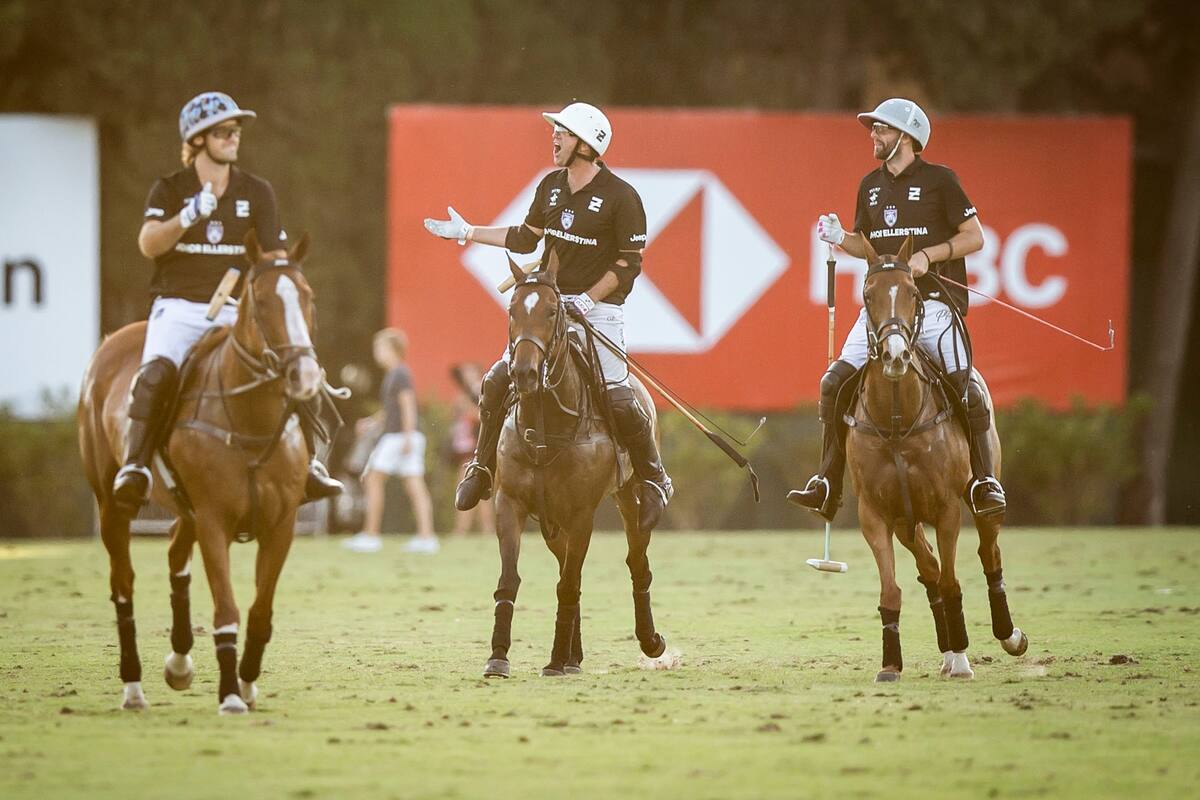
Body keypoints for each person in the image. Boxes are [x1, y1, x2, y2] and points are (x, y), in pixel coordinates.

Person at [423, 102, 673, 532]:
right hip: (549, 308)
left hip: (600, 310)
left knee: (617, 394)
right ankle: (482, 470)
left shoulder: (622, 197)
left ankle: (654, 478)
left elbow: (628, 263)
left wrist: (589, 300)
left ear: (586, 143)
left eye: (562, 132)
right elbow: (524, 239)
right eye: (555, 131)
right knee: (498, 378)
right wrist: (467, 233)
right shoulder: (551, 187)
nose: (554, 138)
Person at [112, 91, 341, 517]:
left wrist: (286, 278)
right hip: (179, 306)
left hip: (237, 310)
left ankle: (311, 462)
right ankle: (135, 467)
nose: (233, 138)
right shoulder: (170, 188)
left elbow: (273, 254)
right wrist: (187, 217)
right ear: (197, 140)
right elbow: (147, 244)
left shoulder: (256, 191)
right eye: (222, 132)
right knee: (157, 372)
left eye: (235, 131)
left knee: (295, 362)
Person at [787, 97, 1006, 521]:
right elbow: (867, 249)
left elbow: (975, 237)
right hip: (883, 308)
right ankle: (827, 482)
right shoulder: (870, 185)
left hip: (935, 304)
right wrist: (840, 236)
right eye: (873, 129)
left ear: (906, 137)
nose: (874, 135)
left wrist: (931, 254)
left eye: (882, 129)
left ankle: (983, 481)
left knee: (966, 384)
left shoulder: (941, 181)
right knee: (833, 382)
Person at [343, 328, 437, 554]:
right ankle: (427, 538)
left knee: (372, 478)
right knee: (414, 485)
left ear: (392, 349)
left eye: (380, 348)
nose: (377, 353)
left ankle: (371, 535)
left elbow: (407, 405)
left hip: (399, 437)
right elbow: (390, 410)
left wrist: (406, 436)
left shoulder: (399, 374)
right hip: (406, 435)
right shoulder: (396, 374)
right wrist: (371, 422)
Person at [447, 362, 494, 535]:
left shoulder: (480, 392)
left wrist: (467, 407)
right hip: (465, 448)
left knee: (467, 487)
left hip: (476, 447)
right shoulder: (465, 394)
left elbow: (484, 416)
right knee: (478, 490)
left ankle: (462, 529)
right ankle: (484, 529)